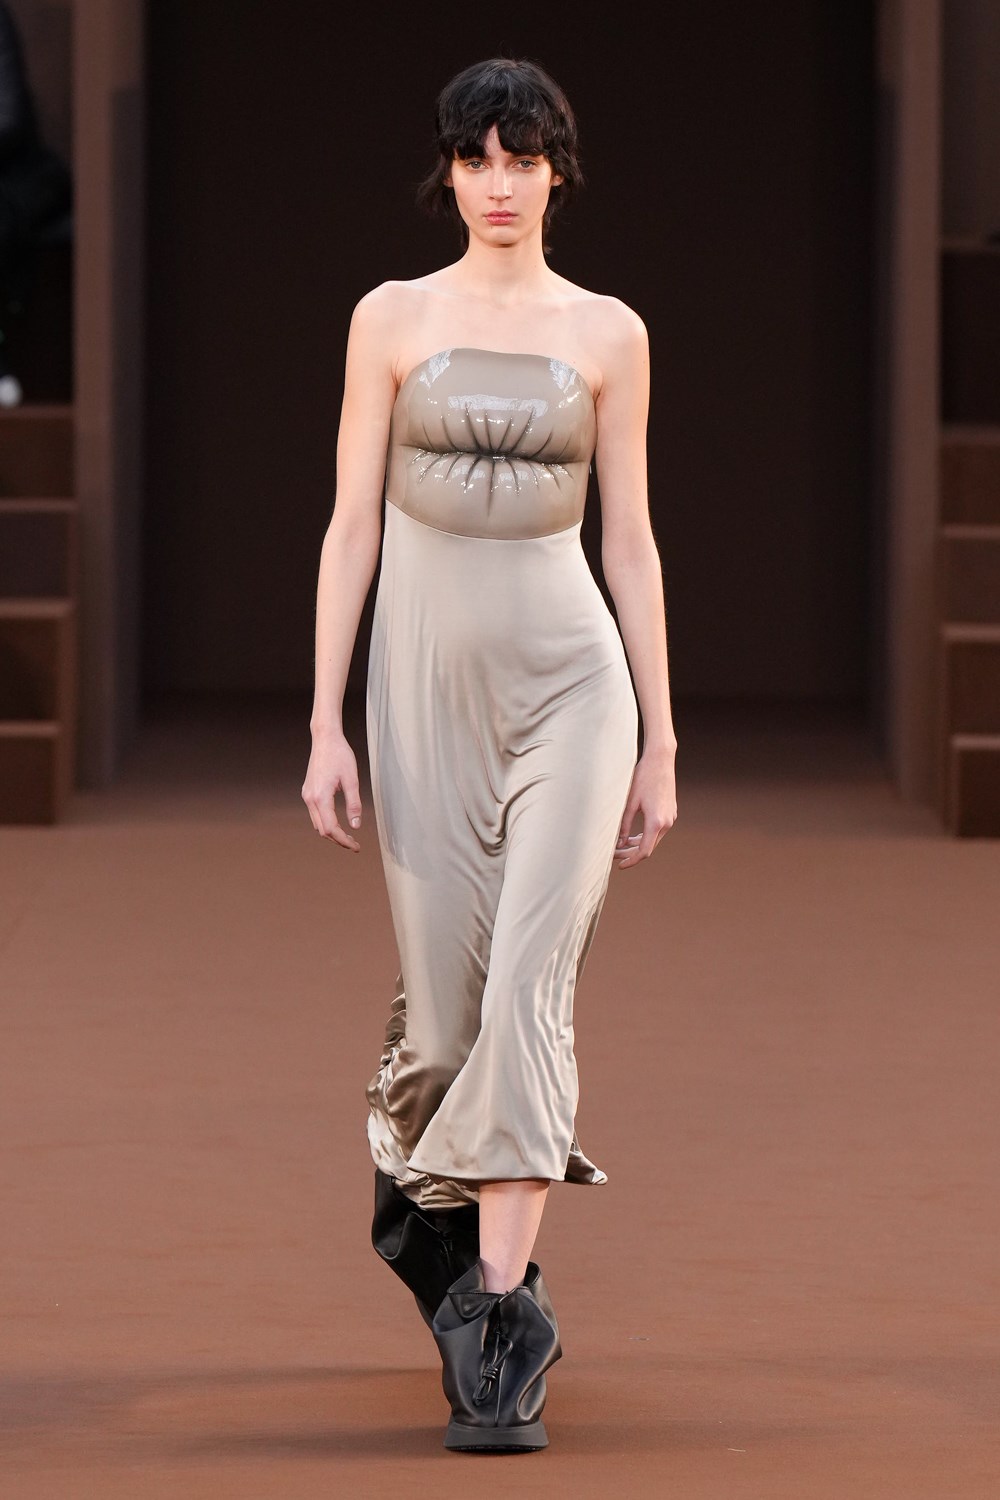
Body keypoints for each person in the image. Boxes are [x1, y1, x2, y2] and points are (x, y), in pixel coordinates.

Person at [302, 56, 678, 1453]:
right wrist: (326, 718)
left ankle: (501, 1322)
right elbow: (352, 525)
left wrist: (660, 738)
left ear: (558, 172)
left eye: (525, 158)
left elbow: (629, 541)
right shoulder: (390, 317)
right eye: (478, 158)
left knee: (530, 984)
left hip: (575, 687)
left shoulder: (610, 332)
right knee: (449, 1025)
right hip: (421, 697)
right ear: (450, 173)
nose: (501, 183)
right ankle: (428, 1202)